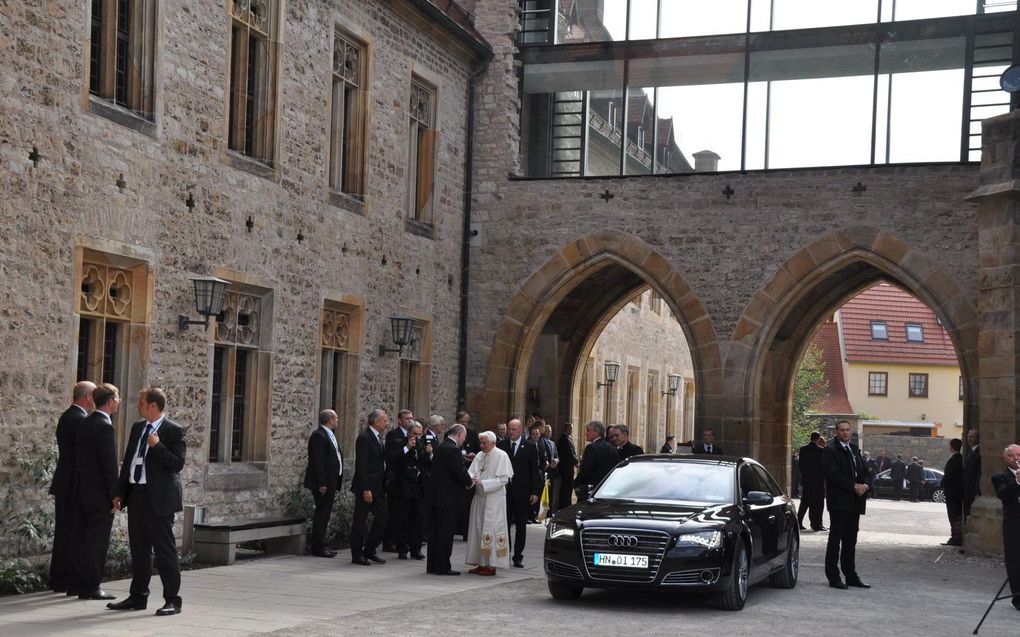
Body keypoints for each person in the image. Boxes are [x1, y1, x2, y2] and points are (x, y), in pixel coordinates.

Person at [107, 387, 186, 616]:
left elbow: (177, 464)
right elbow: (129, 462)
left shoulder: (174, 431)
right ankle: (138, 596)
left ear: (153, 405)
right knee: (139, 550)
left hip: (160, 500)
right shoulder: (137, 427)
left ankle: (172, 599)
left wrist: (157, 446)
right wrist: (120, 492)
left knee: (165, 552)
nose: (137, 405)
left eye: (141, 402)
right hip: (137, 496)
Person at [72, 382, 120, 601]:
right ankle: (92, 586)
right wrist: (115, 495)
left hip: (83, 492)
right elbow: (109, 465)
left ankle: (83, 583)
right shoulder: (104, 426)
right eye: (117, 398)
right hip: (99, 496)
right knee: (97, 541)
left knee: (85, 539)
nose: (119, 401)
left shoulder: (86, 423)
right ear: (110, 401)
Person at [48, 380, 95, 594]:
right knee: (71, 533)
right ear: (87, 397)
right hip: (73, 484)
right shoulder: (79, 419)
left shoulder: (69, 416)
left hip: (65, 482)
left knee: (64, 532)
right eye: (94, 395)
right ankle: (66, 578)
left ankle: (59, 578)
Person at [821, 420, 872, 590]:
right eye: (841, 430)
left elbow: (865, 472)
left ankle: (850, 575)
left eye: (847, 430)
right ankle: (833, 577)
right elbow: (832, 474)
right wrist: (853, 486)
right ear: (836, 432)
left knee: (851, 541)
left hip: (855, 502)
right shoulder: (830, 450)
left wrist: (865, 485)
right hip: (839, 502)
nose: (845, 433)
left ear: (851, 432)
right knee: (835, 540)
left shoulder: (855, 449)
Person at [426, 423, 473, 575]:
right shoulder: (453, 450)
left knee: (435, 533)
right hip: (449, 500)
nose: (464, 440)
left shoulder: (440, 447)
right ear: (459, 434)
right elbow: (460, 472)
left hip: (436, 498)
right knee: (445, 535)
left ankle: (432, 565)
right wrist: (471, 481)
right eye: (464, 437)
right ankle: (442, 566)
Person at [466, 431, 513, 576]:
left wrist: (483, 483)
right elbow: (471, 472)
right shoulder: (480, 455)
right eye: (480, 442)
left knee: (491, 529)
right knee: (478, 528)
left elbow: (503, 480)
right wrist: (469, 479)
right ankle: (481, 562)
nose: (481, 446)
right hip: (479, 497)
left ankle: (491, 565)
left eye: (484, 443)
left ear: (493, 443)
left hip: (494, 499)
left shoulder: (501, 456)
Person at [497, 418, 542, 568]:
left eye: (513, 429)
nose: (510, 432)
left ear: (521, 430)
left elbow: (535, 471)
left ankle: (518, 556)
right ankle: (505, 553)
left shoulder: (529, 447)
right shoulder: (502, 445)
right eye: (509, 429)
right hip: (505, 491)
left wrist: (535, 492)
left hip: (523, 492)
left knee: (521, 525)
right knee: (505, 523)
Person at [349, 409, 389, 566]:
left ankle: (370, 549)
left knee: (384, 517)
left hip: (378, 487)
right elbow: (362, 466)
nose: (386, 423)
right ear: (377, 422)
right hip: (366, 487)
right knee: (360, 520)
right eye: (384, 420)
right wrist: (365, 489)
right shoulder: (365, 438)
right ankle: (357, 554)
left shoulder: (378, 438)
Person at [302, 409, 343, 558]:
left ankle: (321, 543)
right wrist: (322, 483)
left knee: (325, 514)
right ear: (330, 419)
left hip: (331, 481)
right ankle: (317, 547)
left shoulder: (330, 434)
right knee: (321, 513)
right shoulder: (318, 435)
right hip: (323, 483)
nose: (338, 420)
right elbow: (317, 462)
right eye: (336, 418)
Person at [390, 422, 429, 560]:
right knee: (402, 519)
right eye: (414, 434)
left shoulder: (420, 445)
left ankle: (416, 549)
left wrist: (429, 454)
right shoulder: (399, 443)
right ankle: (402, 549)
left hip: (418, 487)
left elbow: (424, 463)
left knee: (418, 519)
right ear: (408, 433)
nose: (417, 437)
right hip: (404, 487)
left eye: (419, 434)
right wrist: (407, 448)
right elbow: (393, 459)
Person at [992, 444, 1020, 611]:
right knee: (1015, 562)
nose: (1016, 458)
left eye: (1019, 455)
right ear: (1005, 458)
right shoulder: (1000, 477)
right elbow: (1003, 494)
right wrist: (1017, 481)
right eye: (1012, 456)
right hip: (1014, 526)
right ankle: (1018, 598)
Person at [383, 409, 416, 552]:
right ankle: (389, 542)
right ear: (400, 420)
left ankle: (402, 541)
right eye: (407, 418)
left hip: (409, 480)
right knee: (394, 512)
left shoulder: (413, 435)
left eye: (411, 418)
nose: (410, 420)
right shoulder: (393, 435)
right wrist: (406, 448)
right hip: (396, 480)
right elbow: (392, 457)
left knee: (405, 513)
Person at [573, 420, 619, 497]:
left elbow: (586, 470)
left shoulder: (591, 448)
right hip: (607, 488)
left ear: (596, 432)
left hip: (592, 490)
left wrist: (575, 483)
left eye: (588, 430)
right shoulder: (612, 448)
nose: (585, 433)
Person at [798, 432, 826, 532]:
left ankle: (798, 522)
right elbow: (824, 466)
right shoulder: (821, 450)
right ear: (818, 439)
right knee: (818, 504)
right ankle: (817, 524)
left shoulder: (803, 449)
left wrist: (805, 475)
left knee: (804, 502)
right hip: (818, 481)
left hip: (806, 480)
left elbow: (800, 465)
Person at [940, 438, 964, 547]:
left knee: (954, 514)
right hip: (956, 492)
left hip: (953, 493)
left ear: (951, 447)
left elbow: (948, 475)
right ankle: (956, 536)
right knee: (956, 515)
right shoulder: (960, 458)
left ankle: (956, 537)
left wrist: (942, 484)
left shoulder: (955, 459)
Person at [528, 422, 549, 522]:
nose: (535, 436)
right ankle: (528, 515)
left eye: (537, 434)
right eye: (533, 434)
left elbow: (543, 458)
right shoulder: (527, 444)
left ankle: (535, 515)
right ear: (530, 435)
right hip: (530, 474)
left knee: (538, 494)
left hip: (539, 473)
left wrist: (543, 468)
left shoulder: (540, 444)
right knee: (530, 495)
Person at [557, 423, 578, 511]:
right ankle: (565, 507)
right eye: (569, 429)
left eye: (572, 429)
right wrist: (576, 462)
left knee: (568, 489)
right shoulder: (564, 439)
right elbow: (569, 453)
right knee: (566, 489)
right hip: (566, 468)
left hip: (569, 468)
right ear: (565, 429)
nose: (571, 430)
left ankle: (567, 505)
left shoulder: (568, 438)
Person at [542, 423, 560, 514]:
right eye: (547, 431)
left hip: (552, 471)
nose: (549, 433)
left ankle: (550, 512)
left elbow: (556, 455)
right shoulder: (542, 442)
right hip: (545, 471)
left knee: (552, 491)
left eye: (550, 431)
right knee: (545, 492)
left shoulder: (552, 443)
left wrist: (556, 461)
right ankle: (543, 512)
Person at [963, 427, 982, 517]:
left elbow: (979, 473)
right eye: (968, 437)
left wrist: (977, 492)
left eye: (972, 437)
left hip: (973, 492)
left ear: (978, 438)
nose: (969, 439)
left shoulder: (979, 453)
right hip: (967, 491)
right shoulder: (969, 452)